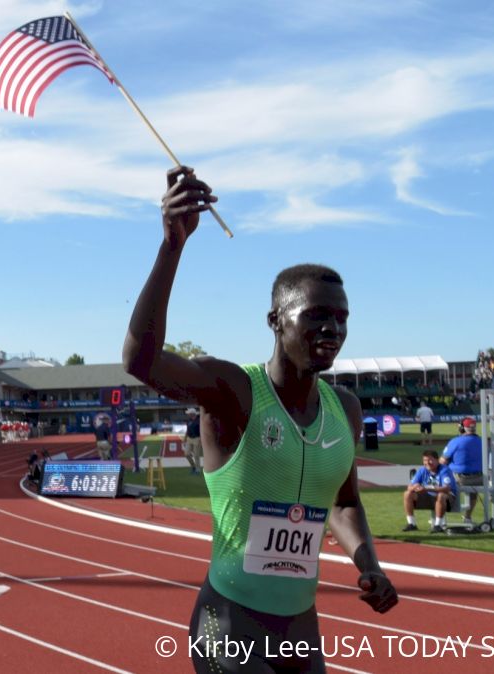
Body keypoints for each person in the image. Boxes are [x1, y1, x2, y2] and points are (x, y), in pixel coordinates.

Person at [121, 167, 396, 674]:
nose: (332, 328)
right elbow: (141, 361)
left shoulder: (345, 410)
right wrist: (171, 248)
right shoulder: (234, 392)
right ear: (276, 320)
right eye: (316, 315)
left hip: (299, 629)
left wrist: (368, 563)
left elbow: (344, 501)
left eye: (341, 317)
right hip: (226, 622)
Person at [403, 450, 458, 532]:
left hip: (447, 500)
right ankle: (411, 524)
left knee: (441, 495)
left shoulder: (444, 470)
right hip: (429, 498)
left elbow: (446, 488)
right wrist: (415, 487)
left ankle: (437, 525)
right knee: (407, 494)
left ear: (437, 460)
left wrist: (427, 488)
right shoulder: (422, 470)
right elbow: (409, 486)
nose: (427, 462)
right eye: (425, 460)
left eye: (430, 460)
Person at [440, 417, 483, 522]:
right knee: (473, 494)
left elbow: (442, 461)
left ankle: (439, 516)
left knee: (440, 480)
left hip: (460, 478)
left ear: (462, 428)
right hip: (479, 478)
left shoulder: (455, 441)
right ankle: (467, 517)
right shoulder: (481, 441)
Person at [184, 408, 203, 475]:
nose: (188, 414)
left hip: (197, 438)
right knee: (186, 454)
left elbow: (202, 431)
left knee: (196, 455)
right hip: (189, 438)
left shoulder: (199, 421)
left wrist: (201, 439)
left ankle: (198, 469)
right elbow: (187, 430)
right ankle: (193, 466)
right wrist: (185, 438)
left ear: (192, 414)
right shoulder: (188, 420)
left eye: (189, 413)